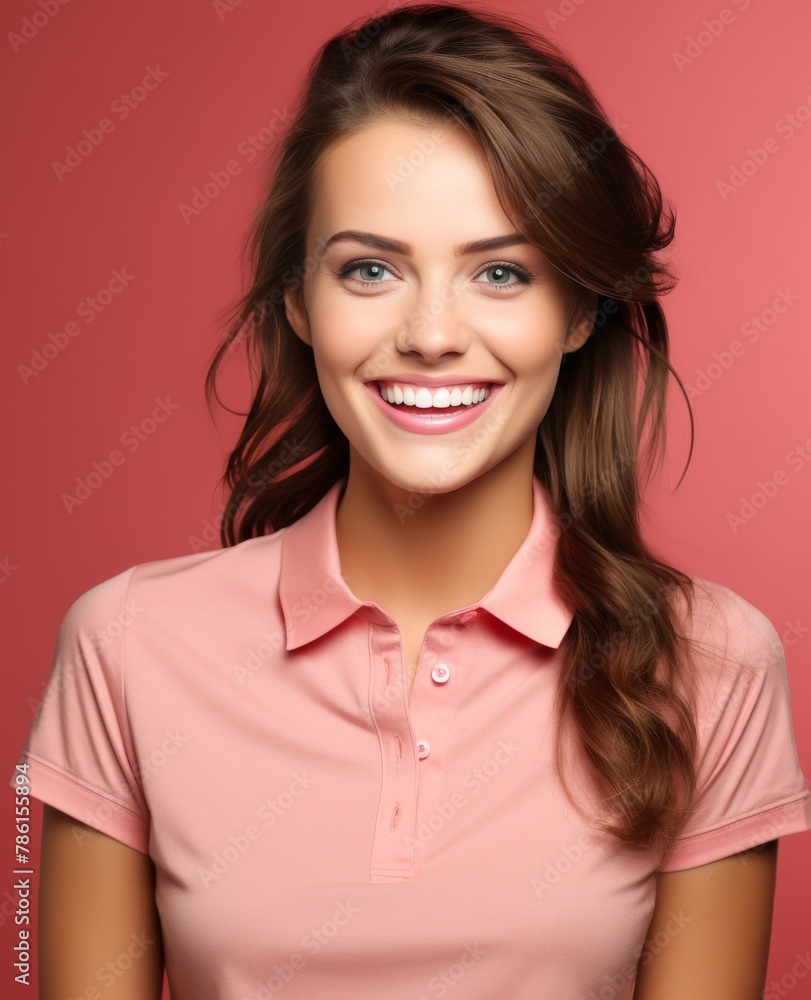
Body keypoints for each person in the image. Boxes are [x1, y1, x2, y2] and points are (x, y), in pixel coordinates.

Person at [11, 3, 811, 998]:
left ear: (577, 310)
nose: (431, 333)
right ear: (299, 301)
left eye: (501, 272)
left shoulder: (713, 663)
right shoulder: (126, 644)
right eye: (371, 269)